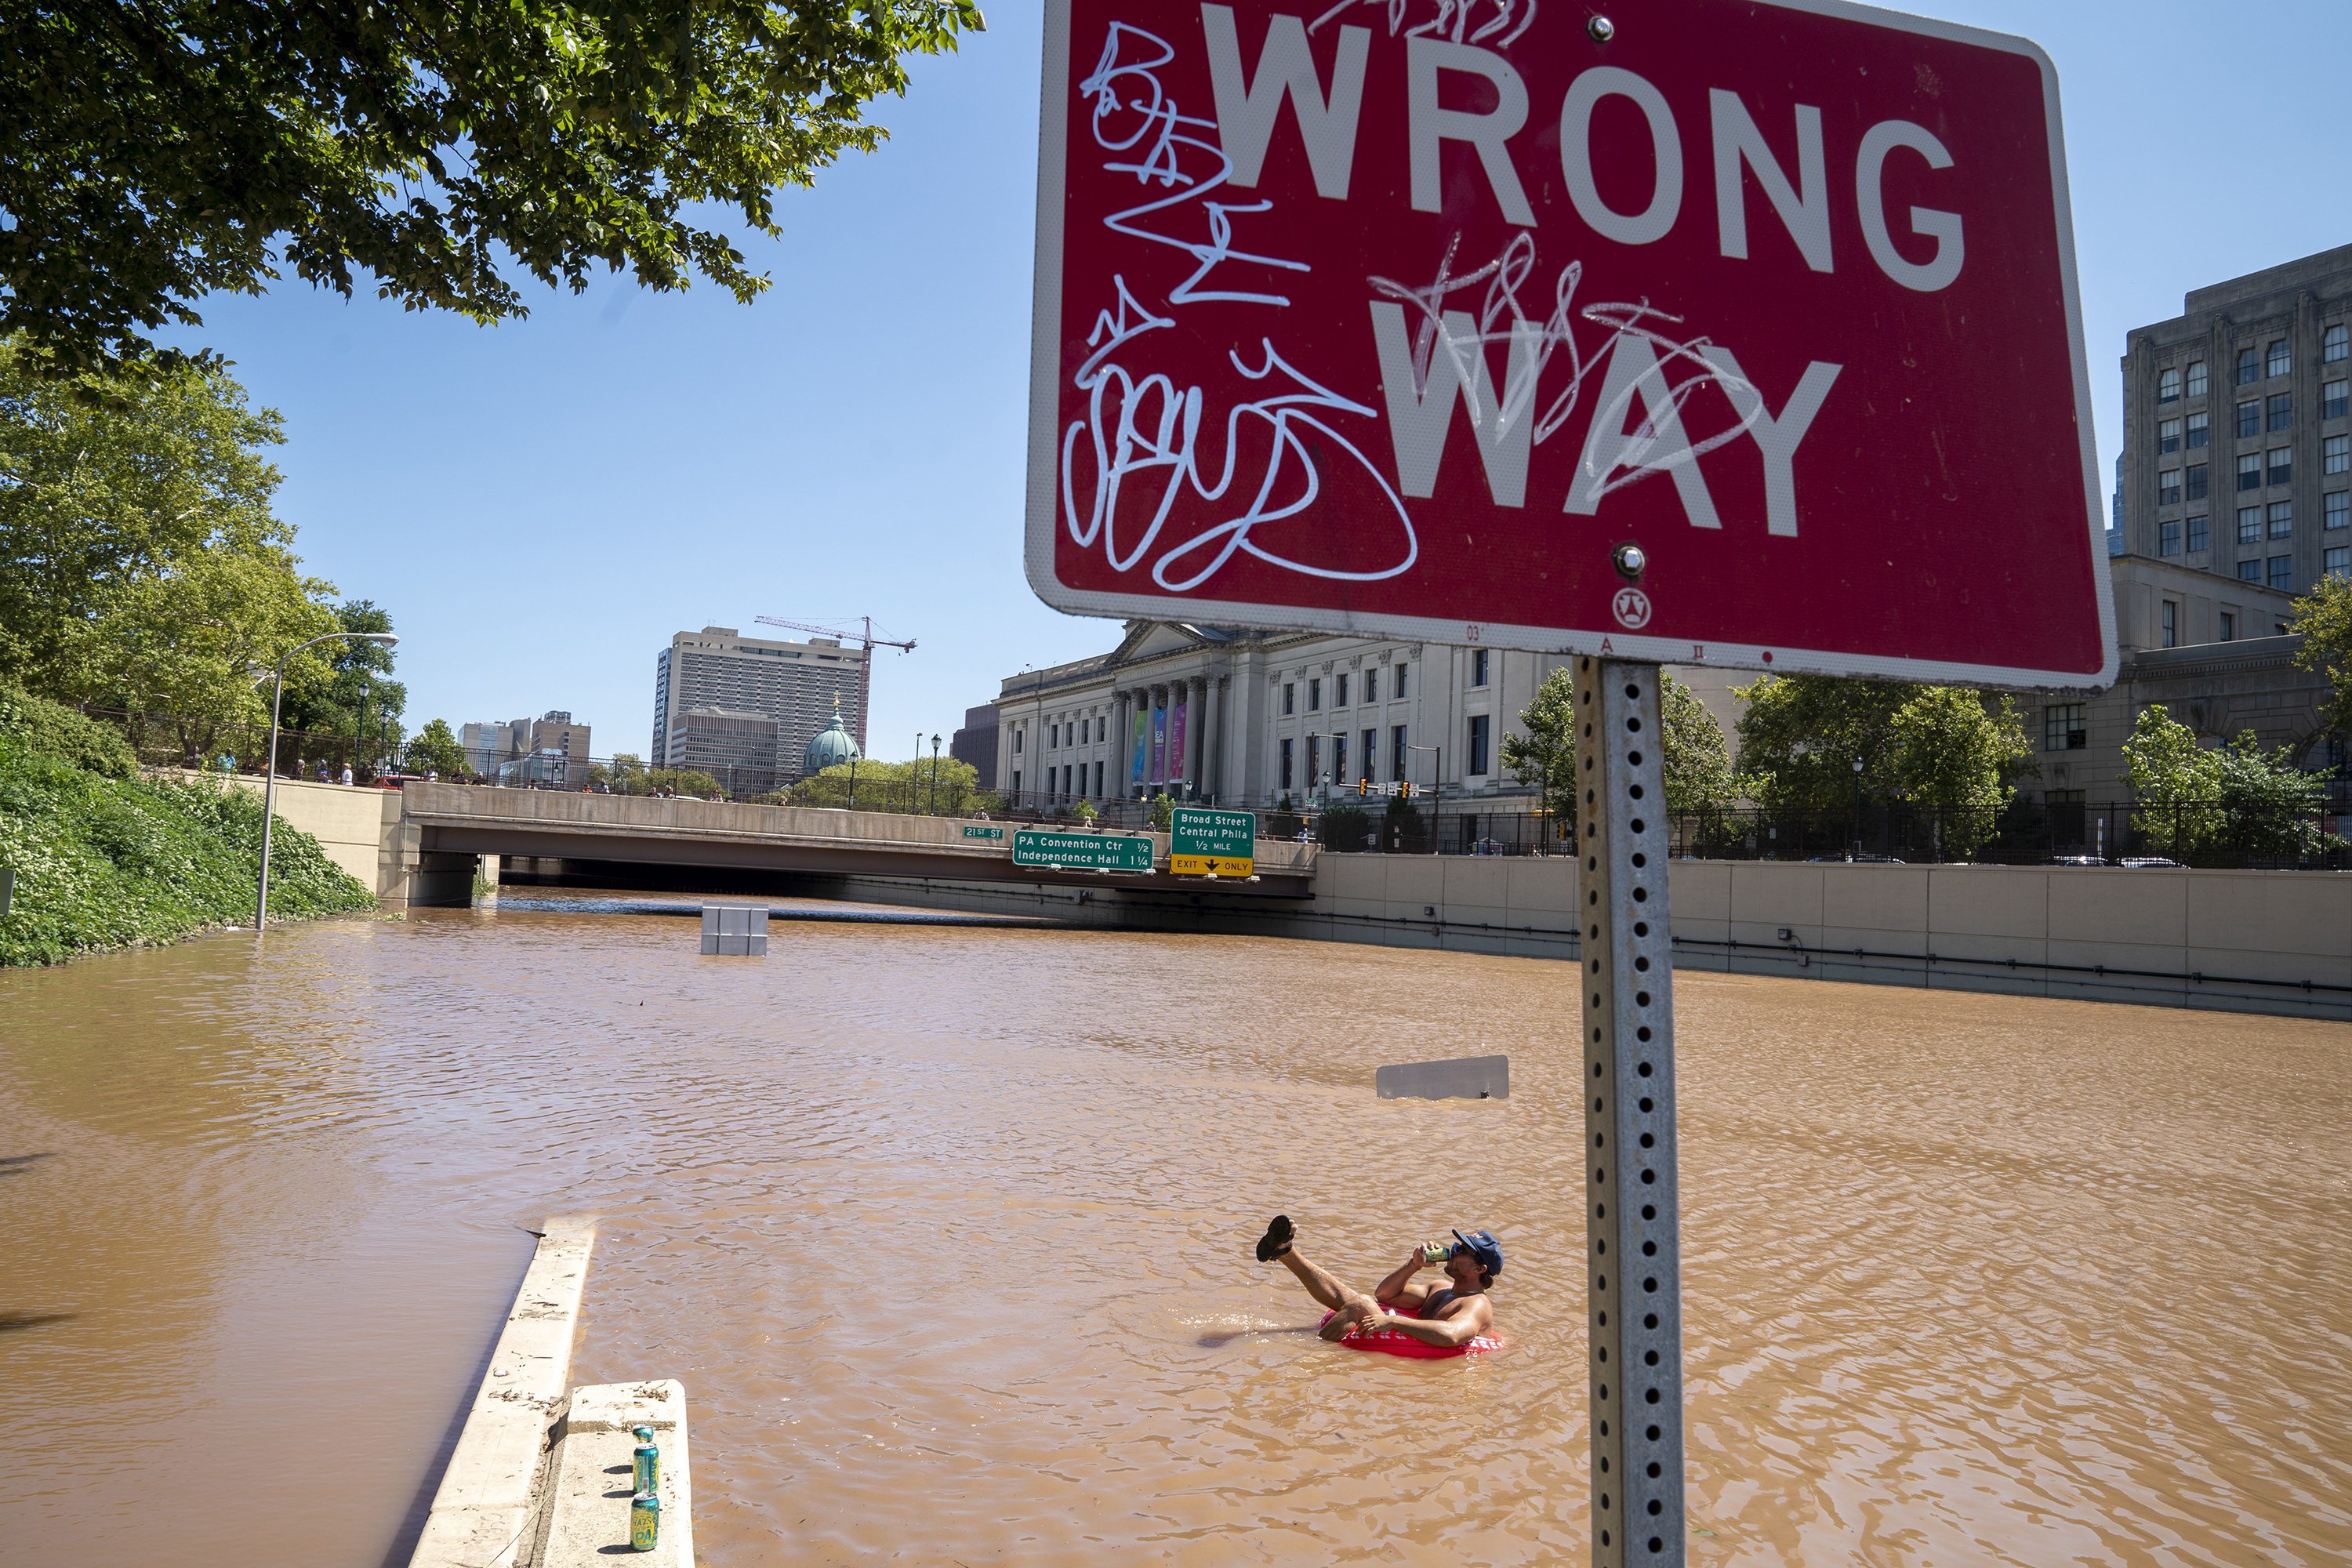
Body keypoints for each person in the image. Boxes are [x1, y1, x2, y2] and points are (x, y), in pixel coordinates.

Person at [1254, 1215, 1501, 1349]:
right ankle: (1285, 1252)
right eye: (1455, 1246)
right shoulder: (1440, 1288)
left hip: (1422, 1346)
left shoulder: (1477, 1305)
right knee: (1358, 1299)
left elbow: (1452, 1336)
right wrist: (1413, 1265)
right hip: (1407, 1332)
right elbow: (1384, 1294)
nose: (1454, 1252)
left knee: (1360, 1304)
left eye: (1461, 1250)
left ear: (1479, 1269)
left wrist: (1392, 1321)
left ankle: (1310, 1349)